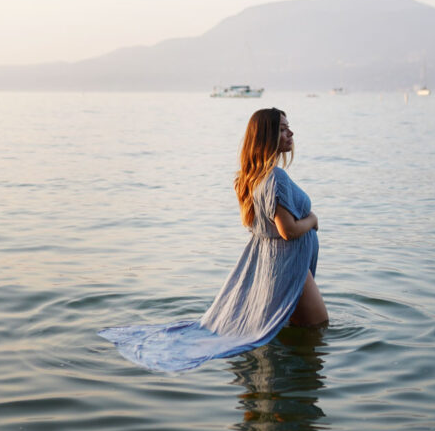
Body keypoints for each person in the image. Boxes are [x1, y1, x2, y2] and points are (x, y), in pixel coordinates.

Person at [99, 107, 327, 372]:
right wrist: (312, 220)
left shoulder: (254, 178)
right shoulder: (276, 177)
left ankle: (278, 382)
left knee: (294, 330)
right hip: (287, 265)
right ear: (265, 136)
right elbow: (286, 230)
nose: (290, 132)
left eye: (289, 127)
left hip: (273, 265)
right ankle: (290, 387)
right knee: (317, 329)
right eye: (282, 129)